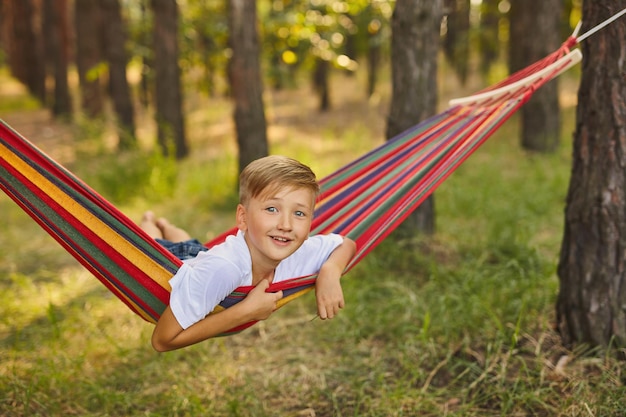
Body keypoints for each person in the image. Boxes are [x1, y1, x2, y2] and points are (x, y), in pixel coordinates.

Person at [142, 155, 357, 352]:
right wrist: (246, 312)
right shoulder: (223, 269)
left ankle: (164, 223)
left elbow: (346, 244)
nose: (286, 225)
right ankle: (149, 221)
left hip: (200, 257)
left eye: (299, 213)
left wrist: (330, 271)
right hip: (176, 266)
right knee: (155, 243)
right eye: (272, 209)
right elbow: (162, 340)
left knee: (188, 243)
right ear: (243, 218)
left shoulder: (297, 251)